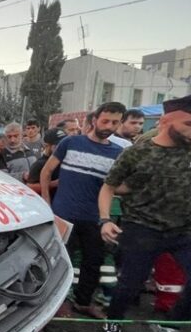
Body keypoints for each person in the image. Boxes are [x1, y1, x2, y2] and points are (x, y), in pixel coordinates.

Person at [99, 94, 191, 332]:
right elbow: (109, 186)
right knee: (130, 284)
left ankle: (170, 325)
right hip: (141, 227)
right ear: (165, 121)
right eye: (190, 123)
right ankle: (113, 318)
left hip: (188, 229)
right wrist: (105, 220)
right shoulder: (138, 151)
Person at [40, 102, 126, 319]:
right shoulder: (70, 142)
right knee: (60, 261)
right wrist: (46, 204)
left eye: (115, 122)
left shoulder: (118, 153)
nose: (109, 125)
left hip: (95, 218)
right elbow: (46, 172)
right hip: (63, 215)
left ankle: (83, 302)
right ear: (94, 120)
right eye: (105, 120)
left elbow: (118, 187)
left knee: (93, 262)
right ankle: (58, 304)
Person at [26, 128, 66, 196]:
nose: (62, 147)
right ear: (46, 145)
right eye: (58, 145)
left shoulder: (64, 160)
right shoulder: (39, 164)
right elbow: (29, 187)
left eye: (64, 143)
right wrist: (54, 183)